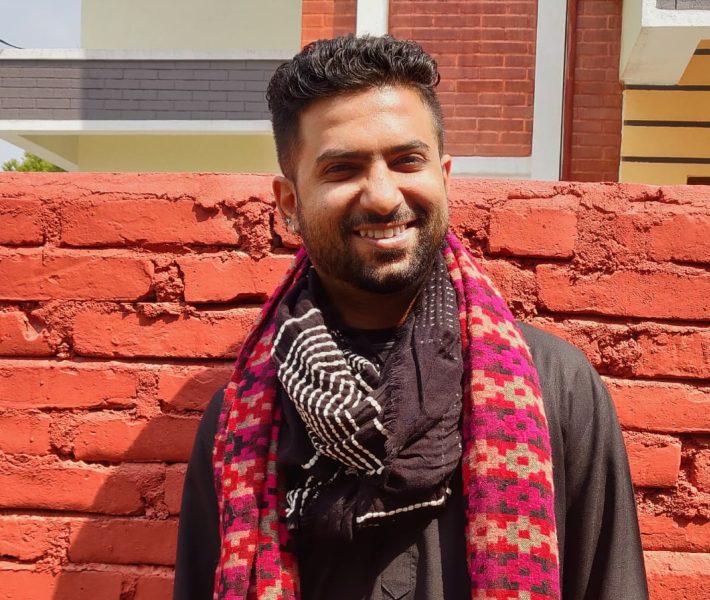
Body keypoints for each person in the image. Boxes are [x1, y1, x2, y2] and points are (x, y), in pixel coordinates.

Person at [174, 34, 648, 600]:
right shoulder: (242, 423)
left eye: (407, 161)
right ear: (290, 203)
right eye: (342, 169)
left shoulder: (557, 386)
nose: (381, 196)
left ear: (444, 177)